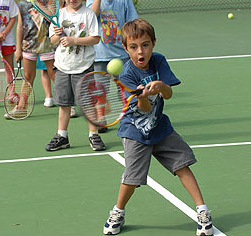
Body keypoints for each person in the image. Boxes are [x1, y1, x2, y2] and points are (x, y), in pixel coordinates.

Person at [103, 19, 214, 236]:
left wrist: (160, 86)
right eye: (133, 47)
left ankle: (203, 211)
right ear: (126, 49)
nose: (140, 51)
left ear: (153, 43)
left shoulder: (159, 61)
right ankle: (118, 211)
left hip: (160, 128)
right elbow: (143, 109)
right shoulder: (126, 74)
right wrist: (144, 96)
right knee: (132, 180)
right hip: (135, 132)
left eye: (145, 45)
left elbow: (169, 94)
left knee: (183, 165)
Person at [45, 0, 105, 151]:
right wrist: (57, 36)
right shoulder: (59, 15)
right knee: (64, 104)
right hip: (63, 67)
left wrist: (74, 40)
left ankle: (94, 135)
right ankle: (62, 136)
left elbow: (95, 38)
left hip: (84, 67)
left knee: (88, 103)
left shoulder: (88, 14)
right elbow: (52, 40)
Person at [86, 0, 138, 133]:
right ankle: (101, 118)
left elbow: (133, 23)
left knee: (127, 89)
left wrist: (132, 48)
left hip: (122, 55)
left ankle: (131, 117)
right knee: (100, 90)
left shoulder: (124, 1)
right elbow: (90, 17)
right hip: (100, 55)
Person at [6, 0, 56, 117]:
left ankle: (68, 106)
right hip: (28, 45)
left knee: (53, 74)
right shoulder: (22, 3)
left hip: (48, 45)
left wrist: (38, 3)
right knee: (28, 76)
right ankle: (21, 107)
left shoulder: (51, 1)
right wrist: (18, 48)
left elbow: (52, 19)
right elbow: (20, 26)